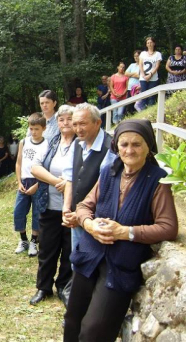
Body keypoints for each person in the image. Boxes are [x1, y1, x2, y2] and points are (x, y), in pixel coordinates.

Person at [64, 119, 178, 342]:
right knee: (72, 320)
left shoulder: (157, 181)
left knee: (93, 331)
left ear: (148, 147)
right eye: (124, 144)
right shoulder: (108, 172)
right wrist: (90, 225)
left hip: (120, 267)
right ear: (116, 146)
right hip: (89, 256)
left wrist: (125, 232)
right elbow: (85, 205)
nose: (129, 150)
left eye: (137, 144)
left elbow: (168, 227)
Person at [61, 103, 117, 302]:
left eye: (83, 124)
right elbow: (69, 177)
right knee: (79, 261)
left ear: (98, 122)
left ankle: (92, 305)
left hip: (98, 218)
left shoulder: (111, 148)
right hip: (76, 217)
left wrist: (82, 215)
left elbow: (108, 190)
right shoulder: (77, 144)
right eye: (75, 124)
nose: (77, 129)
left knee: (97, 265)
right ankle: (78, 302)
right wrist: (66, 208)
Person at [29, 105, 75, 306]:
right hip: (48, 205)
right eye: (61, 119)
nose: (65, 123)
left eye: (69, 119)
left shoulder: (82, 144)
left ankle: (64, 286)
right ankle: (43, 287)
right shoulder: (52, 142)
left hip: (72, 209)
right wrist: (59, 182)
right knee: (47, 249)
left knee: (69, 250)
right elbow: (35, 167)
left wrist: (71, 184)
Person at [13, 113, 49, 257]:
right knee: (18, 212)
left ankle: (34, 241)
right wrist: (19, 181)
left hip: (38, 182)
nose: (34, 132)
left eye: (37, 129)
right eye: (31, 129)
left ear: (43, 128)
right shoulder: (24, 142)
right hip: (24, 181)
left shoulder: (47, 145)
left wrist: (38, 185)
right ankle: (23, 240)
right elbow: (19, 162)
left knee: (36, 213)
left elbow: (47, 167)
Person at [139, 36, 162, 108]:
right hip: (143, 78)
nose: (149, 44)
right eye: (148, 43)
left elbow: (157, 66)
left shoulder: (158, 54)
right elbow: (140, 64)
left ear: (154, 43)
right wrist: (143, 75)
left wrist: (150, 75)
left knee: (151, 97)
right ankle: (143, 112)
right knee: (144, 96)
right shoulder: (143, 53)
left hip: (153, 78)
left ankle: (150, 113)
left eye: (151, 42)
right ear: (146, 44)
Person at [124, 51, 141, 116]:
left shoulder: (142, 65)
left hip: (137, 88)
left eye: (137, 56)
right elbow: (126, 74)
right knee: (129, 105)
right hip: (129, 88)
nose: (136, 57)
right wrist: (134, 74)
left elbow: (139, 76)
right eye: (135, 56)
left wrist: (130, 74)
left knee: (136, 105)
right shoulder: (132, 65)